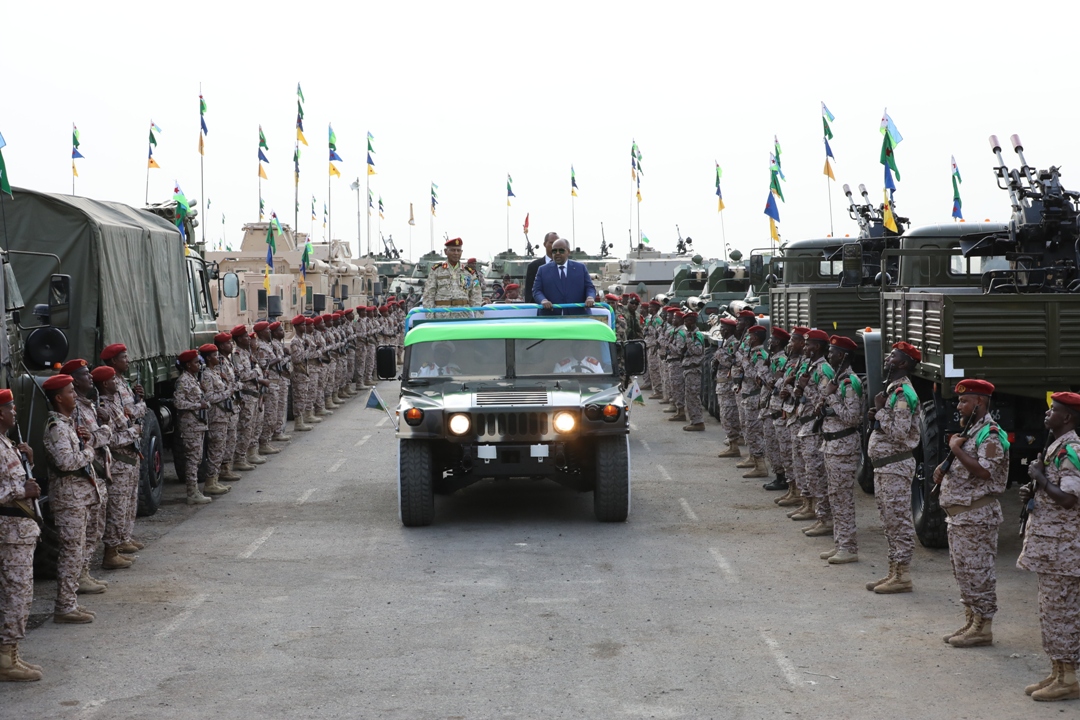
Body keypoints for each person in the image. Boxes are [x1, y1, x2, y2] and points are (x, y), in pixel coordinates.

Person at [935, 379, 1009, 648]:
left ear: (979, 402)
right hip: (960, 517)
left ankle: (983, 627)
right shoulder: (970, 430)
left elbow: (984, 471)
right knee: (964, 572)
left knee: (978, 572)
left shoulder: (991, 434)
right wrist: (943, 469)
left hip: (977, 517)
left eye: (964, 401)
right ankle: (972, 620)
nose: (959, 405)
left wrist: (955, 448)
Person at [1017, 391, 1080, 701]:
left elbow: (1069, 499)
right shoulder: (1056, 446)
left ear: (1067, 417)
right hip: (1051, 548)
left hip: (1064, 550)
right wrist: (1034, 491)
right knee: (1051, 612)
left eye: (1053, 409)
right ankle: (1058, 671)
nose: (1046, 413)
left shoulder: (1071, 450)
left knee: (1063, 614)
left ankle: (1068, 678)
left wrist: (1040, 478)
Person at [43, 373, 100, 624]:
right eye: (69, 391)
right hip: (69, 500)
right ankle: (64, 607)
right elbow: (65, 462)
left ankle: (70, 602)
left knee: (76, 551)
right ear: (58, 398)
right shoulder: (56, 427)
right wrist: (88, 451)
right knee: (70, 552)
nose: (75, 395)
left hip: (77, 498)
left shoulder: (66, 424)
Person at [866, 342, 922, 594]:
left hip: (895, 466)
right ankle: (893, 571)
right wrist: (878, 414)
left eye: (893, 356)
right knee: (889, 520)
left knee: (898, 520)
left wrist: (879, 412)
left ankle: (903, 575)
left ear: (903, 363)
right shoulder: (892, 390)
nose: (888, 359)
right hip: (885, 467)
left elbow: (900, 433)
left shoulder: (903, 394)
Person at [0, 388, 44, 681]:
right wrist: (21, 490)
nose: (14, 412)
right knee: (15, 594)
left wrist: (29, 461)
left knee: (21, 593)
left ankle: (11, 652)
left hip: (21, 532)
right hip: (10, 533)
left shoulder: (7, 443)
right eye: (11, 408)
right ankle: (6, 659)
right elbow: (12, 489)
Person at [816, 335, 864, 564]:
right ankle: (840, 543)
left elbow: (852, 418)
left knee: (842, 499)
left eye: (833, 352)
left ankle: (848, 547)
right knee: (835, 497)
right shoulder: (837, 380)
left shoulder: (849, 383)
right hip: (832, 445)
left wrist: (832, 397)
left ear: (843, 356)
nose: (829, 355)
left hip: (843, 447)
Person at [92, 366, 144, 572]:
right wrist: (134, 432)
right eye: (113, 380)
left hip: (128, 461)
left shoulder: (116, 403)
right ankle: (111, 553)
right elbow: (111, 439)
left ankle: (122, 541)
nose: (117, 383)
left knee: (127, 504)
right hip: (118, 464)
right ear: (105, 384)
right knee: (116, 508)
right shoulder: (104, 407)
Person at [99, 343, 147, 549]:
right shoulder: (111, 388)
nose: (128, 361)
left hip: (130, 450)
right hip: (120, 454)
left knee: (130, 498)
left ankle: (125, 536)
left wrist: (139, 400)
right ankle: (115, 544)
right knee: (118, 502)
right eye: (124, 357)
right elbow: (130, 413)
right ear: (113, 361)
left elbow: (131, 411)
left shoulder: (122, 383)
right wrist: (140, 407)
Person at [790, 329, 830, 526]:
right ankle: (809, 505)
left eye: (808, 344)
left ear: (818, 347)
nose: (805, 348)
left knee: (816, 473)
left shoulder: (824, 370)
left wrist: (804, 388)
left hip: (815, 427)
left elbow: (825, 400)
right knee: (806, 469)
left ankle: (821, 515)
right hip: (804, 423)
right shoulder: (810, 365)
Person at [174, 350, 213, 506]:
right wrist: (198, 405)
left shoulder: (193, 379)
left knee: (197, 459)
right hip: (191, 426)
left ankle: (195, 490)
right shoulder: (183, 380)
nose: (199, 364)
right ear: (188, 365)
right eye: (196, 362)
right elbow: (178, 403)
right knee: (192, 460)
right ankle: (192, 493)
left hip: (198, 424)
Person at [197, 343, 233, 496]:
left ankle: (215, 480)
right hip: (215, 417)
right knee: (215, 449)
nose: (218, 357)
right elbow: (209, 397)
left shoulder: (215, 373)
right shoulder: (206, 375)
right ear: (208, 358)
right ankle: (210, 482)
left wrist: (227, 385)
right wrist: (228, 392)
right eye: (214, 355)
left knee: (220, 448)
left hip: (222, 415)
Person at [735, 324, 769, 478]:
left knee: (755, 431)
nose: (747, 339)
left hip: (754, 397)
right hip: (747, 396)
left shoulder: (759, 355)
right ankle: (753, 458)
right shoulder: (751, 353)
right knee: (748, 429)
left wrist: (743, 360)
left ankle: (760, 465)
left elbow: (758, 377)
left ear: (755, 338)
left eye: (749, 336)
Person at [761, 326, 790, 491]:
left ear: (777, 342)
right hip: (771, 408)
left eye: (772, 339)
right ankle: (779, 477)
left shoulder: (781, 361)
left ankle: (784, 479)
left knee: (780, 447)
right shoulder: (773, 359)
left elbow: (774, 385)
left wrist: (764, 370)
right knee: (772, 445)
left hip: (778, 410)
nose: (769, 342)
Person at [530, 239, 596, 309]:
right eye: (554, 251)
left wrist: (590, 297)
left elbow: (590, 287)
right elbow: (536, 290)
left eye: (561, 250)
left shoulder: (580, 268)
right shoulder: (543, 270)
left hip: (576, 313)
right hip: (551, 313)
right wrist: (543, 300)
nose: (557, 253)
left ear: (568, 252)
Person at [422, 238, 483, 310]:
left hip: (463, 314)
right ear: (446, 252)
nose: (456, 253)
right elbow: (428, 295)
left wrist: (477, 315)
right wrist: (430, 315)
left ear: (461, 252)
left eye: (458, 250)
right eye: (453, 250)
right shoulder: (436, 271)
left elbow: (476, 296)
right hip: (442, 314)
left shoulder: (469, 273)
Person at [714, 317, 743, 457]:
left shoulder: (734, 344)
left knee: (729, 415)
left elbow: (732, 362)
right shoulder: (726, 343)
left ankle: (734, 446)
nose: (721, 331)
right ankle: (732, 444)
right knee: (725, 415)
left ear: (729, 330)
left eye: (723, 328)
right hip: (722, 385)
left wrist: (718, 354)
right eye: (721, 328)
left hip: (728, 386)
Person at [680, 312, 706, 431]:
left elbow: (697, 351)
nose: (686, 324)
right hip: (689, 369)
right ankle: (694, 421)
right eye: (685, 321)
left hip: (694, 369)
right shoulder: (690, 334)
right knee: (689, 396)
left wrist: (689, 341)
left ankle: (698, 422)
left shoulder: (696, 335)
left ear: (694, 322)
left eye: (688, 321)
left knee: (693, 396)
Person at [525, 232, 558, 303]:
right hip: (541, 307)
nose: (554, 246)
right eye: (551, 243)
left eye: (557, 243)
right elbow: (529, 293)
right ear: (545, 244)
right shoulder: (533, 267)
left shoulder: (567, 266)